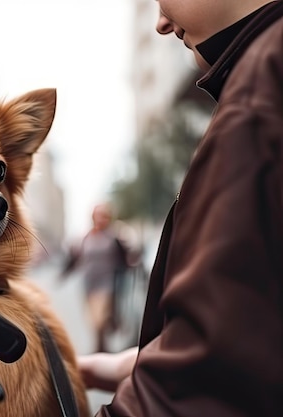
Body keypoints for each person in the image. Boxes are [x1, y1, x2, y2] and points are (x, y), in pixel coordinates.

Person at [79, 1, 283, 416]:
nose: (160, 22)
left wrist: (164, 373)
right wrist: (149, 362)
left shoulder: (261, 87)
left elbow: (209, 389)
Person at [62, 202, 133, 353]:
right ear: (93, 217)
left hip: (107, 285)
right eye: (98, 215)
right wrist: (63, 275)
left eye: (104, 215)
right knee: (94, 322)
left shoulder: (114, 237)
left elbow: (127, 256)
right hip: (89, 286)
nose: (101, 219)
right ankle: (104, 348)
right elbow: (75, 259)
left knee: (100, 321)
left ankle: (98, 349)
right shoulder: (85, 238)